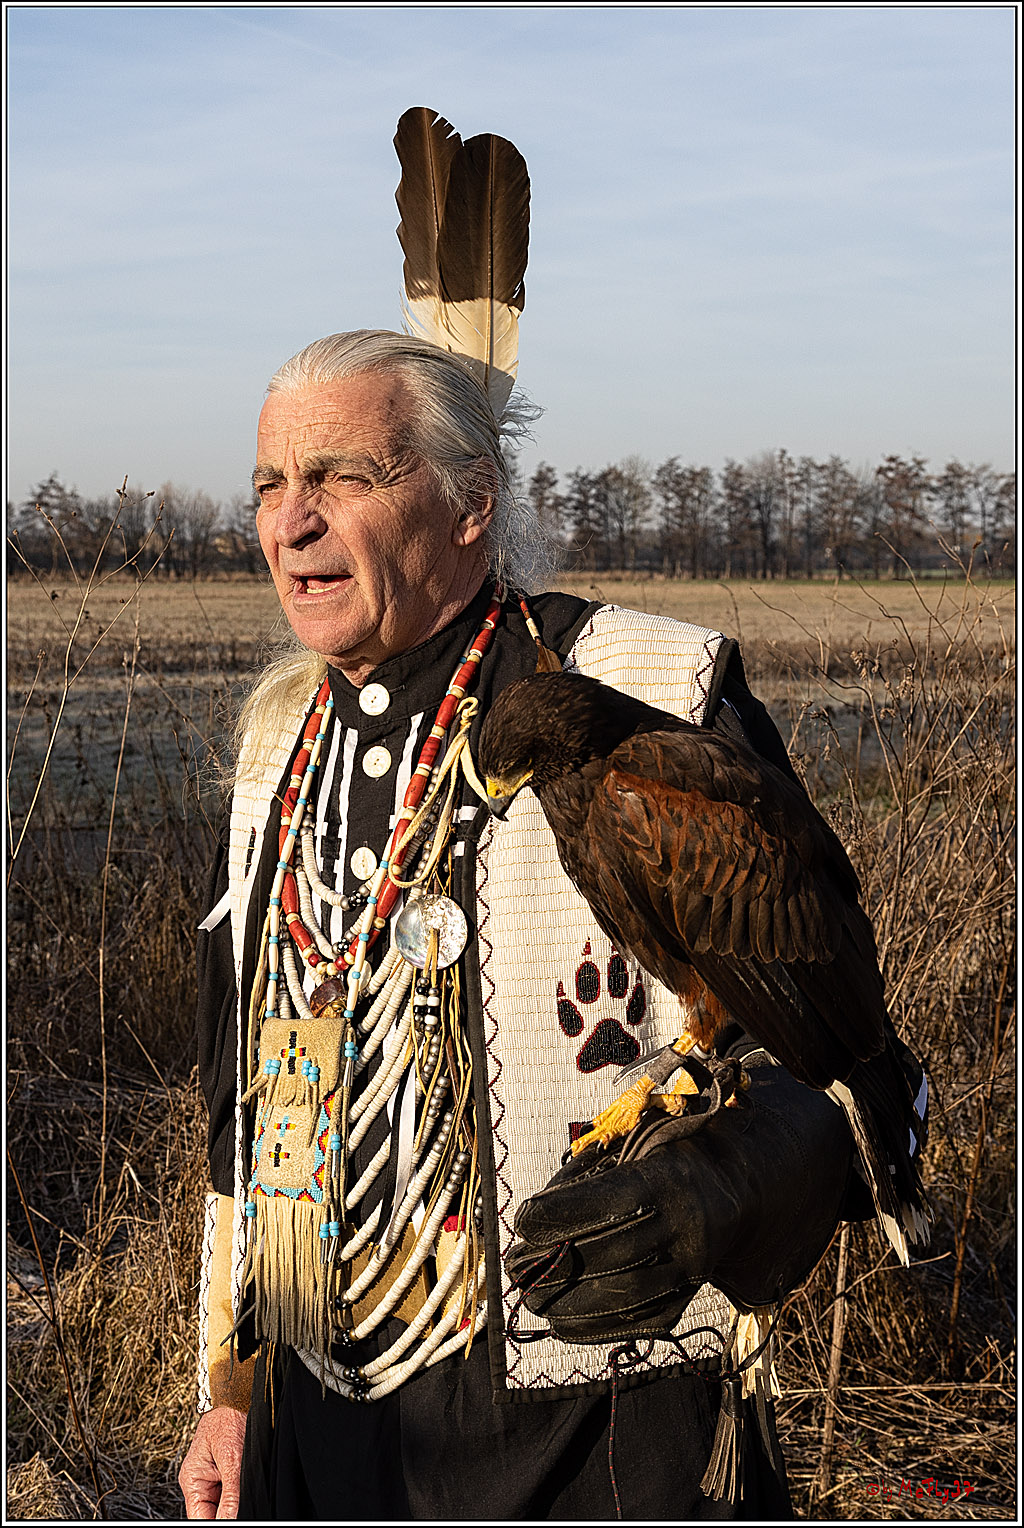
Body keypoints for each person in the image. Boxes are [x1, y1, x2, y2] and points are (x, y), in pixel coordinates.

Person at [178, 329, 924, 1521]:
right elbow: (243, 1112)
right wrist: (229, 1390)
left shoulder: (651, 699)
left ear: (471, 504)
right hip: (317, 1444)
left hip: (596, 1445)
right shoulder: (274, 752)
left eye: (342, 477)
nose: (291, 521)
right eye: (271, 483)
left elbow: (847, 1068)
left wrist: (727, 1185)